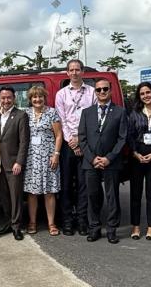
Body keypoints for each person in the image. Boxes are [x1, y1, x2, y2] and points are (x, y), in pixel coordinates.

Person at [78, 77, 127, 244]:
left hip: (111, 162)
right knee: (92, 196)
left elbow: (122, 139)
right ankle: (94, 228)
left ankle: (112, 230)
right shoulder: (87, 112)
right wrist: (92, 159)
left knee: (112, 196)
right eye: (98, 90)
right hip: (91, 162)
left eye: (105, 89)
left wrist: (109, 158)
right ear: (95, 92)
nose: (102, 92)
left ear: (110, 90)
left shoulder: (120, 112)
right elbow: (82, 138)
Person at [55, 59, 96, 236]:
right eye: (71, 70)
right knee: (65, 185)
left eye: (77, 70)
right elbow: (61, 119)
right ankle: (67, 222)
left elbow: (94, 118)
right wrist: (71, 140)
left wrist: (80, 140)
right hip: (66, 144)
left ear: (83, 72)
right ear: (67, 73)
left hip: (86, 143)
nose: (74, 73)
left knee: (83, 185)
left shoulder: (92, 92)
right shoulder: (61, 94)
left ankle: (82, 221)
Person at [128, 82, 151, 241]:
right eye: (142, 94)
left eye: (148, 92)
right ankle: (135, 226)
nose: (146, 96)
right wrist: (135, 153)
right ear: (139, 96)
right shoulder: (134, 113)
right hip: (137, 157)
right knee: (135, 194)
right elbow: (129, 135)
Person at [24, 86, 62, 236]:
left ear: (44, 97)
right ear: (30, 99)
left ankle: (51, 223)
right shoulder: (26, 114)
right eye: (34, 97)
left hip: (48, 157)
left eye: (40, 97)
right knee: (32, 193)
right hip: (31, 158)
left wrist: (56, 154)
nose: (37, 99)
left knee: (49, 192)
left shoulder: (52, 112)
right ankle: (32, 222)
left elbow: (59, 135)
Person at [0, 86, 30, 240]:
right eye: (3, 98)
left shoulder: (21, 115)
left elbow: (24, 141)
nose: (6, 101)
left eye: (9, 97)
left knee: (16, 197)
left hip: (13, 163)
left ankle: (16, 226)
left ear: (14, 98)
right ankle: (9, 221)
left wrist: (19, 162)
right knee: (4, 196)